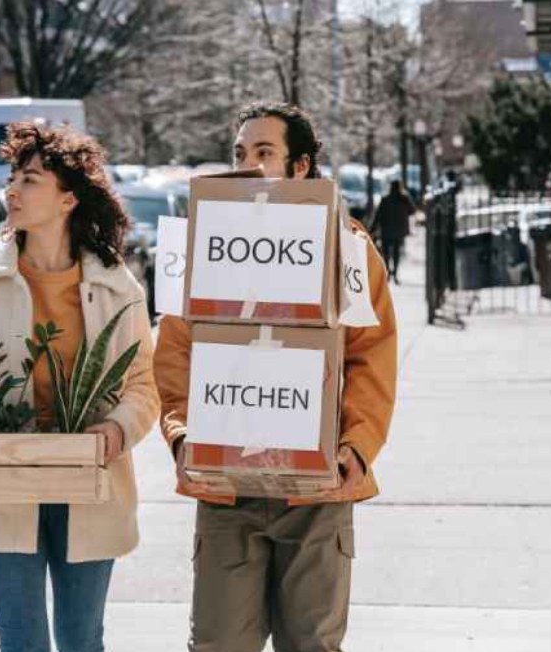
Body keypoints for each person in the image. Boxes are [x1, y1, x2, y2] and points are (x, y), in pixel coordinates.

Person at [154, 102, 398, 652]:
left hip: (317, 488)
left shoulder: (349, 248)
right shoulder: (204, 243)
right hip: (224, 487)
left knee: (311, 644)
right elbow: (173, 353)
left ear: (301, 167)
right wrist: (181, 435)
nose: (248, 164)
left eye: (265, 153)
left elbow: (372, 357)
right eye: (240, 153)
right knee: (217, 643)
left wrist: (355, 448)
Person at [0, 122, 160, 652]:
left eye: (30, 179)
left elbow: (142, 385)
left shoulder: (117, 286)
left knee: (82, 641)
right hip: (2, 477)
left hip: (90, 479)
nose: (12, 189)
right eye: (12, 177)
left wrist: (115, 434)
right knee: (22, 643)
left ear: (68, 199)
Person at [371, 179, 416, 284]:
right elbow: (412, 210)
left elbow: (378, 215)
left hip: (386, 229)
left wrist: (372, 228)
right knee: (396, 253)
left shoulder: (385, 199)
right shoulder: (404, 199)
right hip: (399, 230)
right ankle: (395, 274)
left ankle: (387, 272)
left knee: (386, 253)